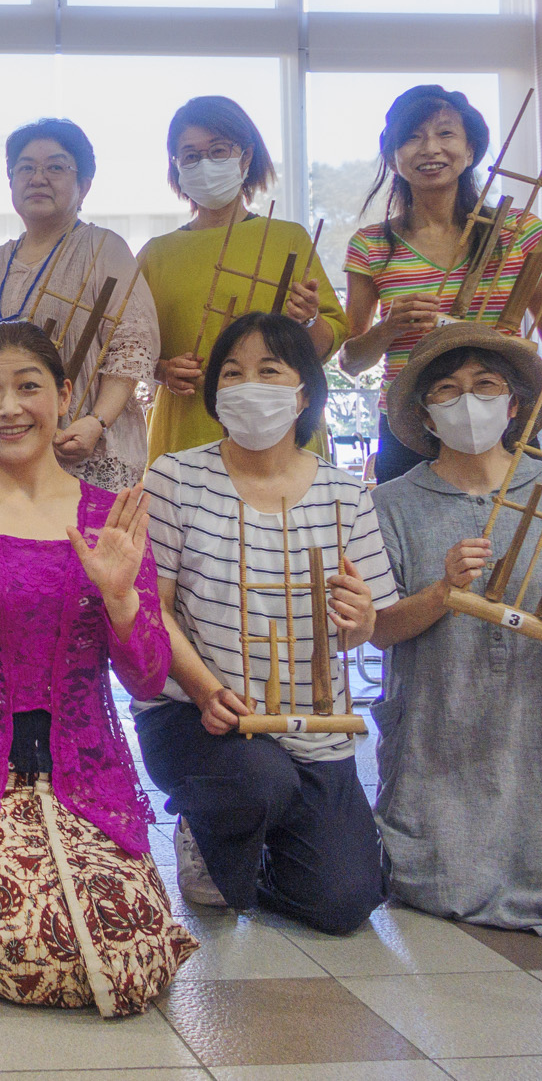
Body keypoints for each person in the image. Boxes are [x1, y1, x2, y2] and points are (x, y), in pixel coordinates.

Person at [0, 322, 196, 1012]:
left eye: (29, 386)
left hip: (87, 769)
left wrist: (121, 599)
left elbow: (148, 678)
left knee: (137, 947)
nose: (9, 407)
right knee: (32, 945)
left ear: (62, 395)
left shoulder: (107, 521)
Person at [137, 312, 397, 935]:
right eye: (233, 372)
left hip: (311, 720)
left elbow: (370, 625)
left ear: (304, 392)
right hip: (199, 714)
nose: (248, 384)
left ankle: (264, 850)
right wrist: (204, 690)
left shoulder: (344, 494)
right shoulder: (174, 477)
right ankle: (208, 826)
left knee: (345, 902)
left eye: (269, 371)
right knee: (257, 779)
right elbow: (154, 610)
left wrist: (360, 619)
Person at [369, 324, 542, 934]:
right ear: (425, 415)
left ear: (513, 407)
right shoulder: (391, 505)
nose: (468, 402)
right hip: (443, 717)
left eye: (485, 387)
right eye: (447, 390)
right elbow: (379, 630)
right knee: (443, 882)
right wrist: (442, 594)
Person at [341, 85, 542, 483]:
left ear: (470, 151)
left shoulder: (515, 232)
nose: (430, 148)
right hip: (412, 424)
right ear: (393, 157)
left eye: (445, 134)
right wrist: (390, 328)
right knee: (409, 541)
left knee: (512, 540)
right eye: (412, 137)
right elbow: (351, 360)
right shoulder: (371, 244)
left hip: (503, 415)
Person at [140, 96, 347, 464]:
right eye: (190, 156)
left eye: (218, 150)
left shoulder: (290, 240)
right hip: (189, 428)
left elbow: (327, 343)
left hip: (283, 433)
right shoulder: (156, 254)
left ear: (246, 157)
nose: (204, 164)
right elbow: (129, 352)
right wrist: (163, 371)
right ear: (176, 167)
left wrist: (311, 319)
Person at [0, 119, 160, 491]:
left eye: (55, 167)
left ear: (83, 185)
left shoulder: (104, 249)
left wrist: (97, 422)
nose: (38, 178)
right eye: (25, 168)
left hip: (80, 447)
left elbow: (132, 349)